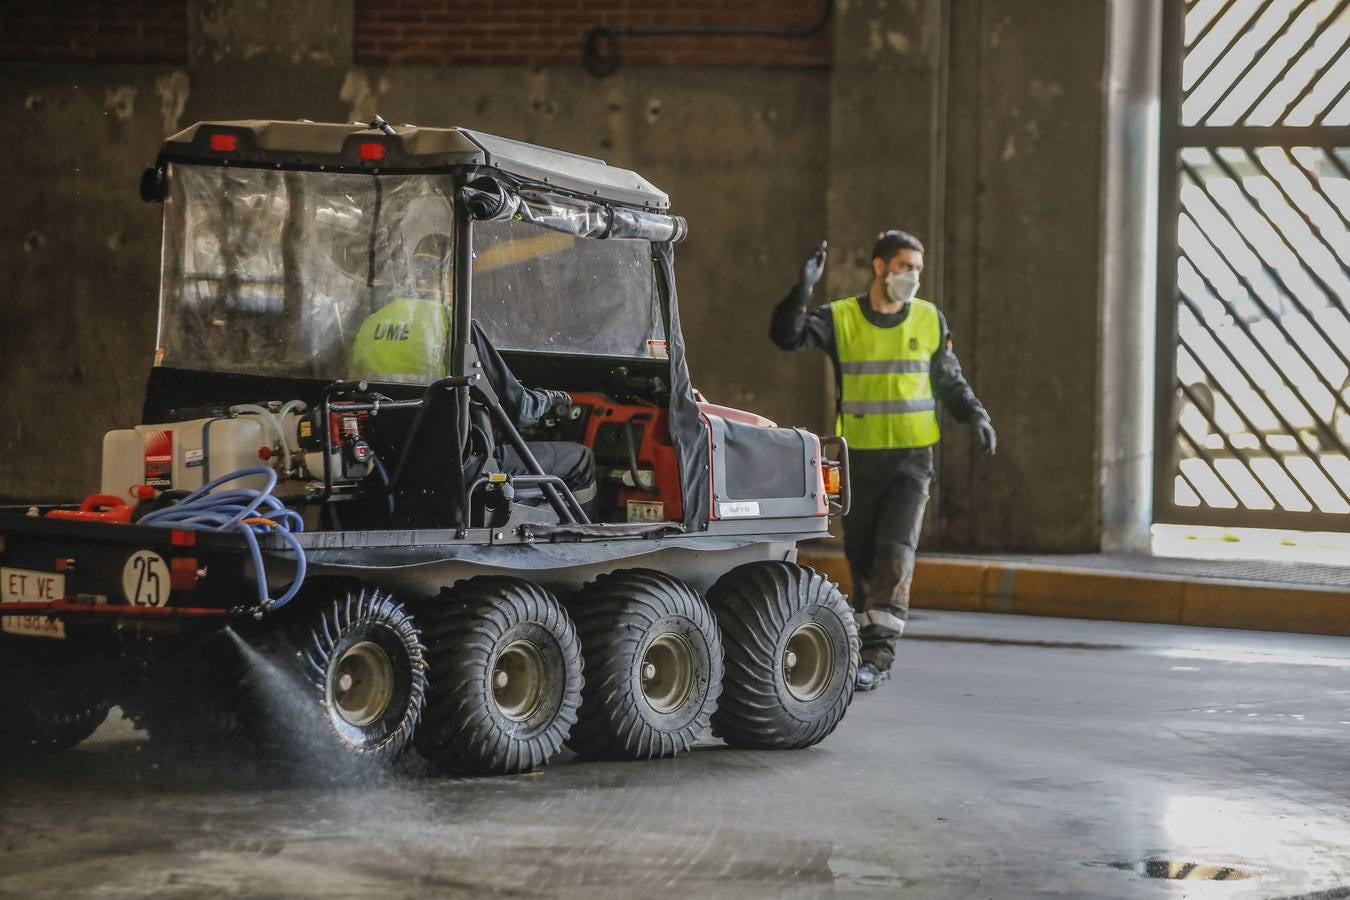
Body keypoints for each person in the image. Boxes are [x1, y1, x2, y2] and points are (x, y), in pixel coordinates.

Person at [770, 230, 996, 691]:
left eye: (917, 268)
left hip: (912, 460)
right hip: (859, 459)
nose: (912, 276)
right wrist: (803, 290)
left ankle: (878, 655)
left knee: (896, 551)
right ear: (879, 267)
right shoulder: (843, 318)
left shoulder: (930, 319)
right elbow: (787, 337)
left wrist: (976, 416)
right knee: (863, 555)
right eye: (904, 267)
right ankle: (860, 647)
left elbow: (949, 380)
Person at [350, 234, 596, 512]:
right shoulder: (454, 325)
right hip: (458, 466)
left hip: (391, 466)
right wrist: (552, 399)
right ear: (453, 274)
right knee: (581, 461)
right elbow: (519, 409)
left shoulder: (373, 323)